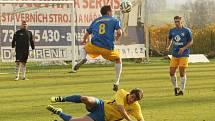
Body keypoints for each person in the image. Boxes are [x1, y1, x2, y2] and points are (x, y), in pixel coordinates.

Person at [71, 5, 123, 91]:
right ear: (109, 12)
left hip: (94, 45)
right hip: (107, 48)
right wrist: (117, 38)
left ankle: (82, 59)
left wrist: (84, 40)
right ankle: (116, 81)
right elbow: (119, 32)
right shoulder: (114, 20)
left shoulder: (96, 20)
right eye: (111, 11)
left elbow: (88, 33)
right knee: (118, 59)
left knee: (83, 49)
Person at [47, 88, 144, 121]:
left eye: (135, 100)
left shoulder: (136, 107)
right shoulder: (121, 92)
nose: (132, 100)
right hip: (100, 104)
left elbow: (141, 119)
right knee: (85, 99)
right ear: (130, 93)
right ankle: (62, 99)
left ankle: (58, 112)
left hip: (102, 117)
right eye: (132, 97)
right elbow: (121, 109)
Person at [166, 16, 193, 96]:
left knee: (182, 71)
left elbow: (191, 42)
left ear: (182, 22)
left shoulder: (187, 31)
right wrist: (168, 46)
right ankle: (176, 87)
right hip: (174, 54)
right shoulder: (172, 30)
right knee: (171, 72)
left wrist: (184, 48)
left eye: (178, 21)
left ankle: (182, 90)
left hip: (184, 54)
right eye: (175, 21)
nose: (177, 23)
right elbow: (170, 39)